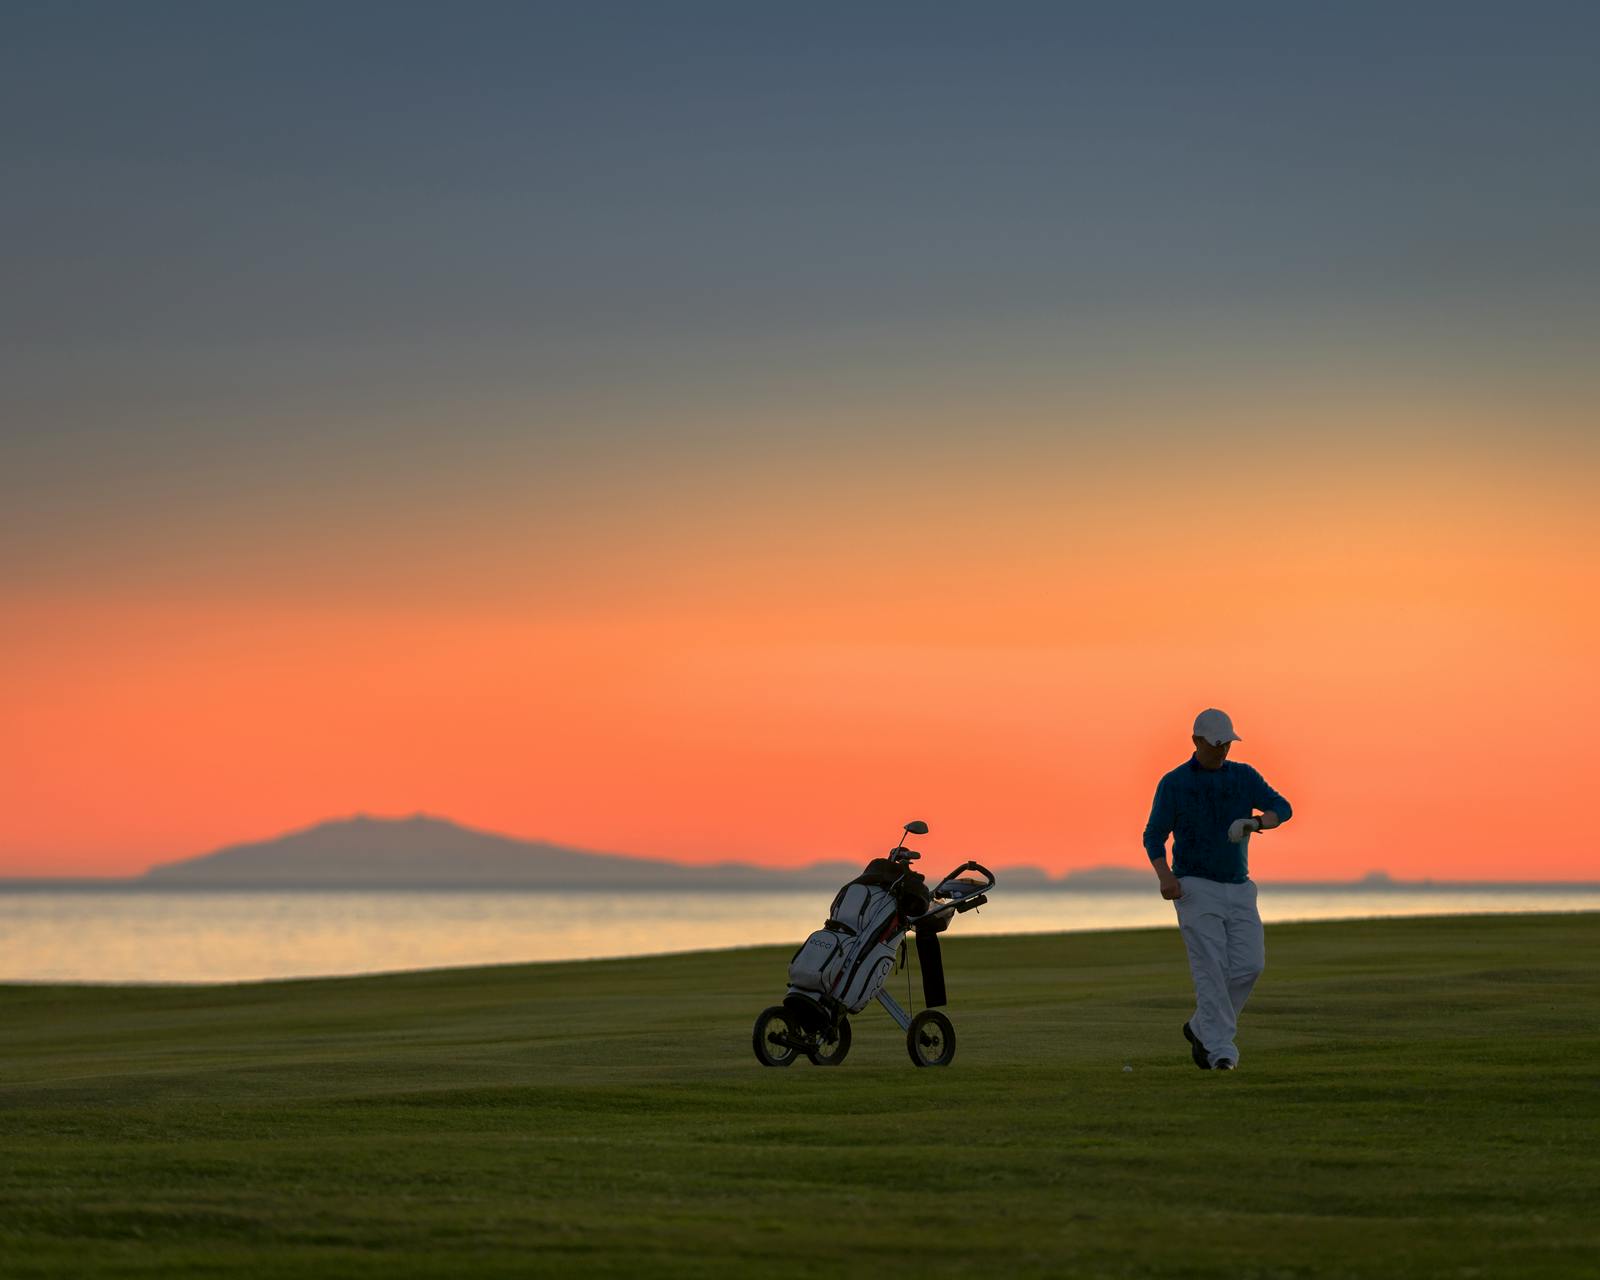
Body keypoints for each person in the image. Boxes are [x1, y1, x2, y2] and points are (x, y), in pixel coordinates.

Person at [1143, 708, 1293, 1071]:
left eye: (1227, 744)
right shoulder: (1175, 782)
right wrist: (1166, 877)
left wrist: (1253, 822)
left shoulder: (1243, 776)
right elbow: (1153, 836)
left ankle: (1200, 1027)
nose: (1223, 751)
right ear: (1196, 741)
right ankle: (1220, 1050)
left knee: (1249, 966)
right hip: (1194, 886)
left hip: (1240, 887)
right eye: (1216, 744)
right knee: (1211, 966)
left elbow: (1282, 808)